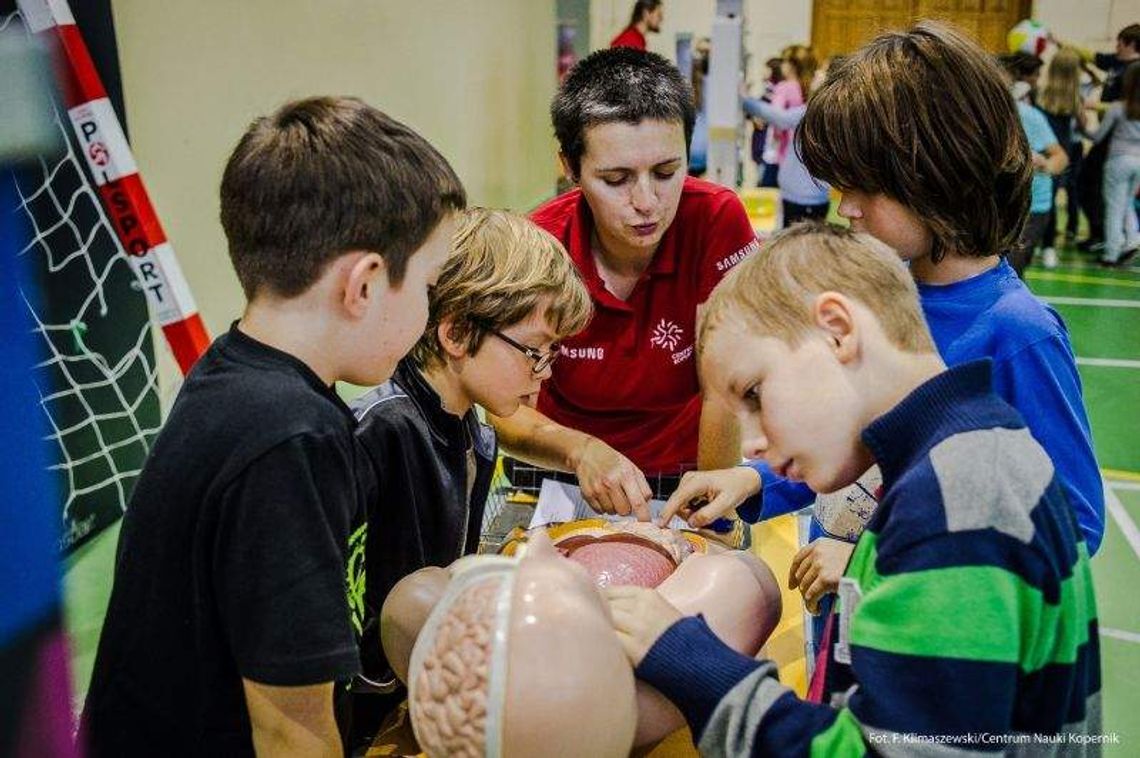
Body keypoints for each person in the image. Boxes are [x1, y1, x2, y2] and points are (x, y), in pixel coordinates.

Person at [662, 22, 1104, 619]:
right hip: (851, 622)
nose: (846, 207)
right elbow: (856, 447)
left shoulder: (1019, 334)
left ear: (939, 171)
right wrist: (758, 482)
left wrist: (872, 561)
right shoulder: (877, 297)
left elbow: (1071, 526)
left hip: (922, 637)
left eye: (863, 186)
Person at [606, 222, 1101, 755]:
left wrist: (693, 663)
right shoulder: (961, 458)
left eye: (755, 393)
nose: (749, 443)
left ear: (838, 329)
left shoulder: (956, 507)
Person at [80, 96, 465, 756]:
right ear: (364, 284)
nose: (429, 311)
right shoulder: (292, 438)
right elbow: (290, 731)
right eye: (429, 285)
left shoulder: (239, 374)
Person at [347, 208, 592, 739]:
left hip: (429, 696)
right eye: (534, 353)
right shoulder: (380, 430)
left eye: (550, 355)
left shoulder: (473, 431)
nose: (543, 376)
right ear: (457, 332)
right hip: (371, 722)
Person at [491, 47, 759, 517]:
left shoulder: (717, 219)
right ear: (570, 169)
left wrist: (709, 515)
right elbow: (505, 411)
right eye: (615, 179)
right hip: (557, 467)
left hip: (680, 472)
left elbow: (723, 388)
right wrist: (580, 450)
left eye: (666, 172)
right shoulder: (539, 245)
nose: (647, 201)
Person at [1001, 52, 1069, 276]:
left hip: (1032, 207)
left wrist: (1045, 165)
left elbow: (1060, 157)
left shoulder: (1030, 116)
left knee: (1012, 269)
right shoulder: (978, 117)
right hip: (997, 204)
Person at [1037, 47, 1090, 268]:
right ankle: (1049, 247)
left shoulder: (1041, 93)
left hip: (1045, 147)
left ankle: (1045, 243)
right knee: (1055, 196)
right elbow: (1084, 124)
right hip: (1064, 151)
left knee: (1043, 199)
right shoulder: (1075, 98)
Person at [1085, 62, 1140, 267]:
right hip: (1139, 162)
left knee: (1114, 207)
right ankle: (1133, 238)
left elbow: (1098, 137)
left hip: (1118, 160)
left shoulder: (1118, 108)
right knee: (1126, 204)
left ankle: (1111, 253)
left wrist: (1082, 128)